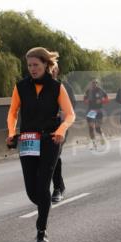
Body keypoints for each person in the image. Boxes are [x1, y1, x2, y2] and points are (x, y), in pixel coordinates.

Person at [7, 47, 76, 242]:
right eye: (29, 66)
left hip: (49, 140)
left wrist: (61, 129)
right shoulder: (20, 87)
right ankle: (45, 206)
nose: (32, 69)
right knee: (32, 190)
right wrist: (11, 132)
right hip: (28, 139)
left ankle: (41, 231)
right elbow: (12, 113)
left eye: (36, 65)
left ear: (46, 64)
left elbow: (70, 114)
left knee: (44, 184)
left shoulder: (57, 87)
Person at [50, 61, 76, 200]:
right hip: (42, 129)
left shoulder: (64, 87)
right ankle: (60, 185)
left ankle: (57, 189)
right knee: (44, 160)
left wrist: (61, 113)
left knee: (54, 157)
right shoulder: (38, 86)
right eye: (49, 68)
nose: (51, 71)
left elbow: (71, 108)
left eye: (53, 69)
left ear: (57, 70)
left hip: (61, 128)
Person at [83, 78, 109, 148]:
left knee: (97, 128)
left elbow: (107, 100)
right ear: (90, 83)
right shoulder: (88, 91)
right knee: (91, 128)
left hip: (98, 110)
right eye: (93, 83)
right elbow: (84, 100)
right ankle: (94, 143)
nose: (94, 84)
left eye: (96, 83)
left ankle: (102, 136)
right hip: (91, 111)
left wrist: (101, 101)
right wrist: (87, 101)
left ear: (97, 83)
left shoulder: (100, 90)